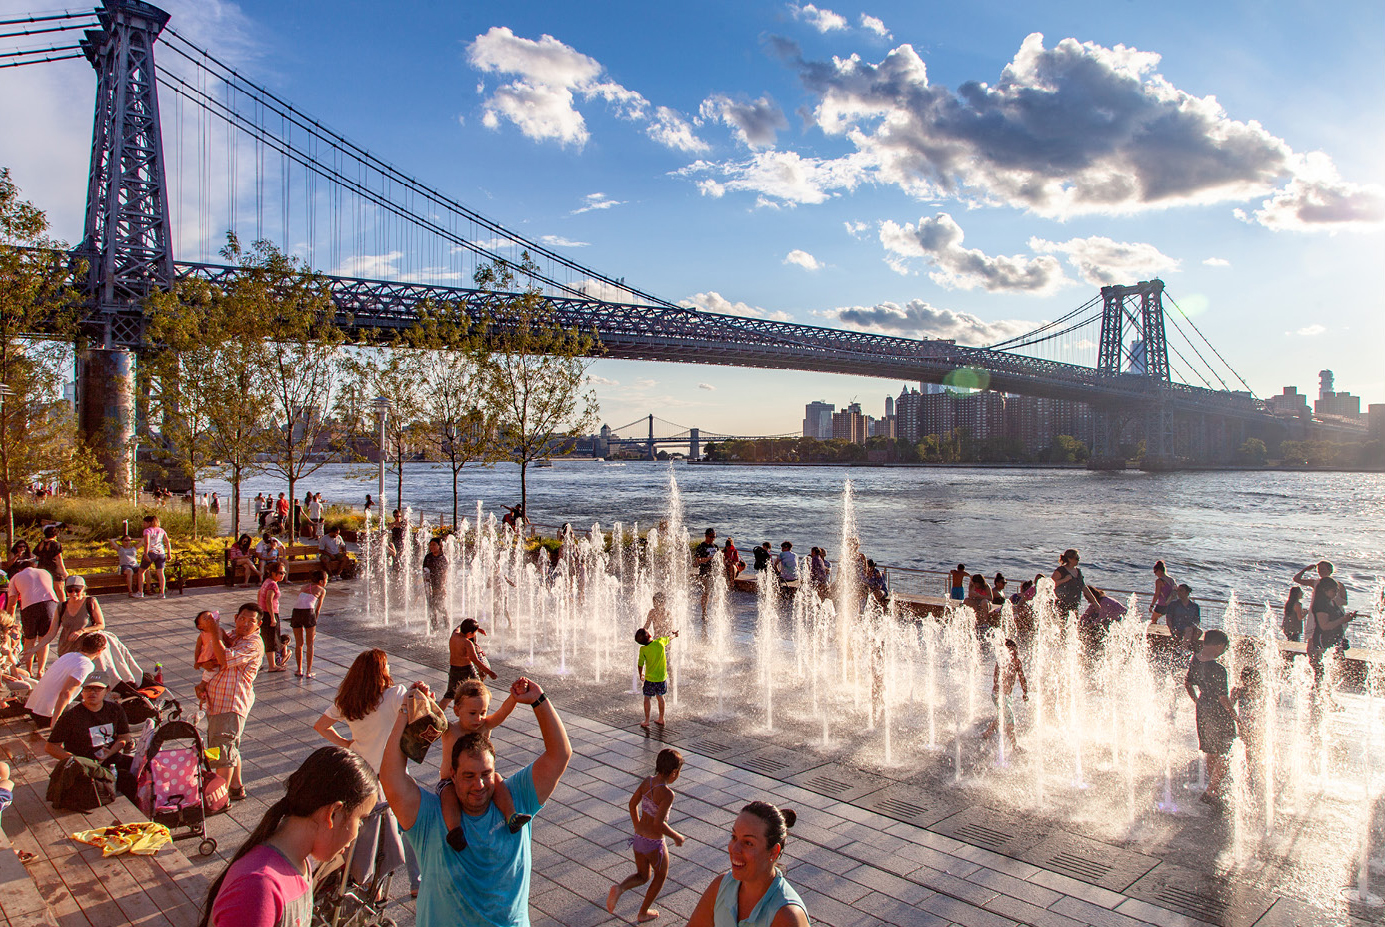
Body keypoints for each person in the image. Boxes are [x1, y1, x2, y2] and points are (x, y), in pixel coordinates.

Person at [379, 676, 572, 927]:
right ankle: (455, 831)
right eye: (468, 776)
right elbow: (391, 777)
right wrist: (409, 708)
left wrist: (538, 700)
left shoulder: (517, 797)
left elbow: (560, 754)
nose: (479, 785)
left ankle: (509, 815)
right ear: (454, 774)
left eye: (486, 774)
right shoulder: (430, 816)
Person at [199, 746, 378, 927]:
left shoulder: (301, 864)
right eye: (360, 820)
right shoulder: (259, 888)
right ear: (334, 813)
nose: (357, 833)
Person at [312, 649, 424, 897]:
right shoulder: (395, 695)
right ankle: (416, 881)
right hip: (392, 775)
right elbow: (419, 715)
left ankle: (357, 877)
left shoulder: (349, 700)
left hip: (362, 774)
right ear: (382, 671)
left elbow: (320, 726)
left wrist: (346, 744)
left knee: (365, 831)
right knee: (407, 827)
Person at [686, 801, 808, 927]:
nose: (735, 849)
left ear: (773, 852)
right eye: (734, 837)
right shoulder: (721, 887)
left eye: (748, 843)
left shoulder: (786, 915)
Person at [437, 679, 525, 851]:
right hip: (450, 781)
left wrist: (514, 697)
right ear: (457, 711)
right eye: (472, 713)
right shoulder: (450, 730)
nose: (478, 718)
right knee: (447, 796)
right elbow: (436, 716)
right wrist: (424, 698)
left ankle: (511, 816)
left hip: (481, 778)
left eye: (483, 712)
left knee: (497, 780)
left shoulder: (484, 726)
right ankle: (454, 830)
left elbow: (502, 713)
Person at [606, 748, 687, 923]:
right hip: (654, 843)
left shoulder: (647, 781)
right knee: (660, 875)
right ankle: (643, 912)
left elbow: (631, 804)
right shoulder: (667, 793)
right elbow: (658, 824)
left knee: (643, 875)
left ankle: (620, 888)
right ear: (674, 772)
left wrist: (637, 826)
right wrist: (676, 836)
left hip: (639, 839)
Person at [45, 669, 137, 800]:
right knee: (124, 779)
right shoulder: (70, 717)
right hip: (86, 766)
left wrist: (109, 753)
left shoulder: (115, 710)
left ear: (107, 690)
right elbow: (51, 746)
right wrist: (77, 761)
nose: (92, 693)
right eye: (88, 689)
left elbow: (124, 737)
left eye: (97, 689)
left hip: (111, 758)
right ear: (82, 691)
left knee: (143, 769)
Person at [205, 604, 266, 799]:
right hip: (218, 703)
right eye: (242, 619)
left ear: (259, 624)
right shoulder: (232, 636)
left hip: (231, 704)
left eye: (251, 621)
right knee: (228, 746)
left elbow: (223, 658)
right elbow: (211, 656)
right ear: (235, 617)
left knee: (222, 749)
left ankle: (220, 798)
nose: (245, 624)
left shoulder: (253, 644)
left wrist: (215, 633)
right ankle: (236, 787)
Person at [1185, 629, 1238, 812]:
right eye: (1224, 647)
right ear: (1218, 645)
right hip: (1218, 713)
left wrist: (1197, 701)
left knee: (1211, 749)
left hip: (1203, 710)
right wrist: (1237, 718)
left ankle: (1213, 789)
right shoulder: (1218, 669)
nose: (1224, 651)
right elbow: (1223, 699)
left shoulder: (1195, 660)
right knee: (1226, 750)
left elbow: (1188, 683)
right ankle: (1211, 791)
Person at [25, 632, 107, 727]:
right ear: (100, 651)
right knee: (95, 705)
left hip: (33, 709)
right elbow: (65, 693)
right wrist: (55, 723)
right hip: (46, 716)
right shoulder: (86, 666)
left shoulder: (68, 655)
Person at [11, 559, 59, 676]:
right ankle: (41, 670)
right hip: (50, 603)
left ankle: (29, 670)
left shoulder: (16, 577)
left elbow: (12, 602)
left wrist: (9, 618)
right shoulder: (45, 572)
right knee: (44, 638)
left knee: (30, 639)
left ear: (20, 569)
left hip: (29, 606)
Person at [439, 618, 499, 711]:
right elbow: (475, 660)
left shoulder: (454, 635)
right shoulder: (467, 643)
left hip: (454, 669)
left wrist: (477, 629)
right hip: (467, 670)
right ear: (470, 633)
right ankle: (481, 711)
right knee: (480, 689)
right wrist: (490, 672)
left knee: (449, 695)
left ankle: (436, 715)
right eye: (474, 633)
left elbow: (459, 627)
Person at [981, 639, 1028, 748]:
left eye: (1015, 651)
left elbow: (1022, 678)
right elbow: (995, 679)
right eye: (1011, 651)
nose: (1014, 654)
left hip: (1007, 696)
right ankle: (1014, 745)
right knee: (1009, 718)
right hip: (998, 696)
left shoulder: (1017, 662)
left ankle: (987, 734)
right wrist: (1000, 691)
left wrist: (1025, 692)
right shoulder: (1001, 662)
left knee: (1001, 716)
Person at [637, 627, 677, 729]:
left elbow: (640, 664)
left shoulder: (643, 649)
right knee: (661, 698)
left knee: (647, 698)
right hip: (661, 678)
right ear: (650, 635)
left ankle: (646, 720)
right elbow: (669, 637)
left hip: (649, 679)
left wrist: (641, 674)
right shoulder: (660, 642)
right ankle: (661, 718)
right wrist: (675, 635)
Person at [55, 575, 105, 656]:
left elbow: (101, 625)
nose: (74, 593)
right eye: (70, 590)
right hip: (66, 650)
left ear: (83, 589)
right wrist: (35, 648)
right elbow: (51, 632)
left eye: (77, 590)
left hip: (85, 651)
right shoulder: (62, 606)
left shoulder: (90, 602)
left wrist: (82, 631)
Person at [290, 569, 327, 678]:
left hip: (296, 612)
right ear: (321, 581)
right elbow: (317, 609)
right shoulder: (321, 590)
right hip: (308, 612)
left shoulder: (303, 587)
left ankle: (299, 669)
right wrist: (315, 623)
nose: (326, 583)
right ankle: (309, 671)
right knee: (310, 644)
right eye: (326, 580)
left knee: (299, 644)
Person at [193, 609, 228, 711]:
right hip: (208, 658)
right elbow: (198, 648)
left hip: (217, 657)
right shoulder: (202, 635)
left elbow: (227, 640)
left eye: (211, 616)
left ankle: (204, 692)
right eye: (205, 618)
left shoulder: (220, 630)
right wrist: (197, 662)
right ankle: (201, 686)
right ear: (200, 627)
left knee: (214, 675)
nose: (210, 619)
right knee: (210, 673)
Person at [257, 562, 288, 673]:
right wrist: (272, 617)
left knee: (265, 638)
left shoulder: (267, 582)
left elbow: (259, 593)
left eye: (284, 573)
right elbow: (269, 600)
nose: (282, 575)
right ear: (273, 572)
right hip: (269, 613)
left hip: (264, 612)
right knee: (271, 639)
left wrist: (259, 607)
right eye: (280, 573)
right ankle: (272, 665)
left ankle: (261, 663)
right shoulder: (272, 584)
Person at [136, 514, 172, 599]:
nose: (143, 525)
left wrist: (145, 553)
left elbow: (147, 542)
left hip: (151, 552)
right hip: (161, 553)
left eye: (144, 523)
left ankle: (140, 592)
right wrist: (169, 553)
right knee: (160, 573)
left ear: (149, 523)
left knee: (141, 571)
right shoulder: (161, 530)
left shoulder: (147, 531)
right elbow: (167, 542)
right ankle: (162, 592)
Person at [422, 538, 449, 632]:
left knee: (438, 605)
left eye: (434, 545)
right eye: (430, 545)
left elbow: (445, 573)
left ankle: (447, 622)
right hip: (429, 584)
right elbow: (424, 570)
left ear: (439, 546)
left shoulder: (442, 558)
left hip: (439, 585)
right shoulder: (428, 557)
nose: (432, 547)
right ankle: (434, 625)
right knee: (431, 605)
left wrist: (442, 586)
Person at [1052, 549, 1084, 616]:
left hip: (1074, 604)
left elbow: (1083, 586)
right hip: (1061, 604)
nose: (1078, 560)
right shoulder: (1061, 570)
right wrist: (1064, 580)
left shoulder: (1078, 572)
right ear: (1070, 559)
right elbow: (1051, 584)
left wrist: (1094, 602)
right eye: (1076, 558)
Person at [695, 529, 718, 622]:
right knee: (706, 592)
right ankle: (704, 612)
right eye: (711, 536)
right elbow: (697, 560)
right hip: (704, 572)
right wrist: (708, 559)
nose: (713, 539)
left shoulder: (715, 546)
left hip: (714, 572)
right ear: (706, 536)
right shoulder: (701, 546)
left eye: (714, 537)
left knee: (713, 592)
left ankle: (715, 611)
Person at [1149, 560, 1176, 625]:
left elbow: (1157, 594)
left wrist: (1152, 605)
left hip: (1162, 604)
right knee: (1170, 621)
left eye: (1155, 571)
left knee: (1153, 620)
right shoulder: (1171, 579)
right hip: (1171, 603)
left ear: (1160, 571)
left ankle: (1154, 634)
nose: (1155, 574)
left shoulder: (1159, 581)